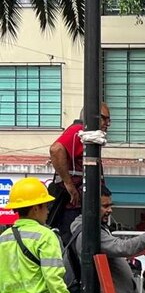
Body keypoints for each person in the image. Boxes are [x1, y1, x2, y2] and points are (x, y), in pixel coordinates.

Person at [47, 103, 111, 244]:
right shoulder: (80, 131)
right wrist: (69, 184)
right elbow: (56, 150)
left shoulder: (85, 135)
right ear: (91, 116)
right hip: (72, 208)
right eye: (104, 118)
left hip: (80, 207)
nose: (107, 123)